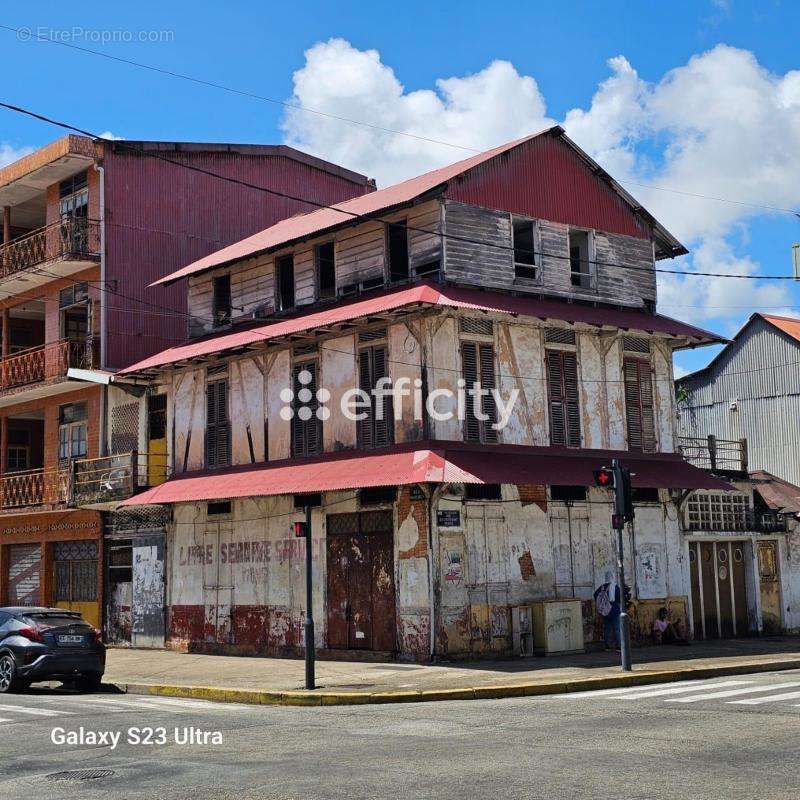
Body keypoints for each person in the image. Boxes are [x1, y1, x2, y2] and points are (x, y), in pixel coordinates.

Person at [594, 571, 621, 650]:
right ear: (612, 577)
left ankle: (607, 646)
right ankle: (619, 646)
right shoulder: (615, 586)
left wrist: (603, 603)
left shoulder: (602, 587)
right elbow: (620, 597)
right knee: (617, 629)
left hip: (605, 611)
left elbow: (595, 594)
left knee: (607, 628)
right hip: (614, 610)